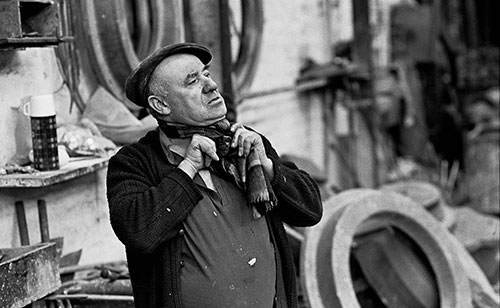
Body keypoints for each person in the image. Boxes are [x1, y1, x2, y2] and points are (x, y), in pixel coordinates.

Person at [106, 42, 323, 308]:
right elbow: (139, 232)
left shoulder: (243, 143)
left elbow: (310, 210)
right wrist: (188, 168)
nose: (211, 85)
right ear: (160, 105)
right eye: (192, 81)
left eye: (206, 74)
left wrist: (266, 165)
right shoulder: (134, 163)